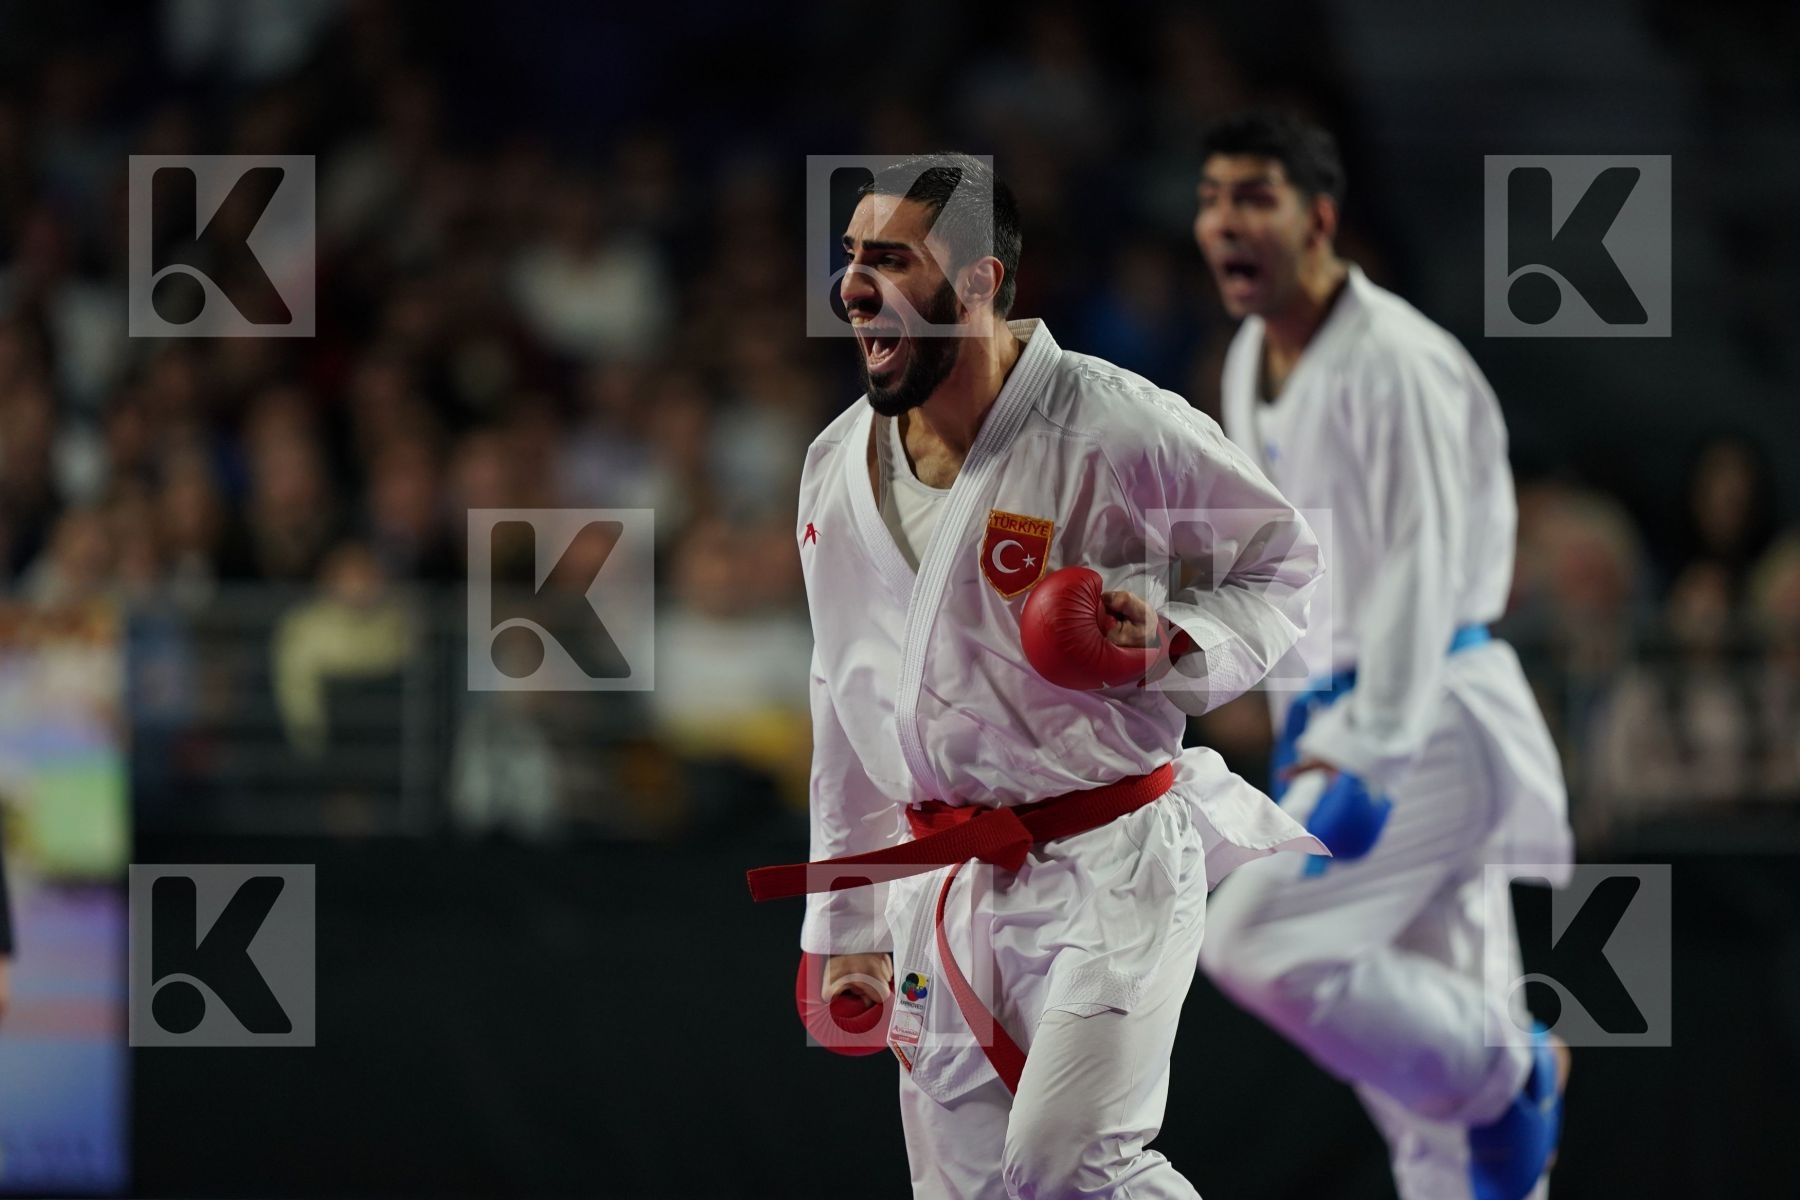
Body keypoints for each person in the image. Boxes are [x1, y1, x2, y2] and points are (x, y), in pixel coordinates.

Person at [748, 153, 1327, 1199]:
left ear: (979, 281)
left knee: (1069, 1166)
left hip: (1109, 860)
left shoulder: (1114, 428)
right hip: (942, 879)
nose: (851, 286)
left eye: (891, 259)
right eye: (849, 260)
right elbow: (844, 697)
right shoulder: (836, 465)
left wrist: (1170, 640)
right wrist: (843, 922)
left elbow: (1285, 567)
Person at [1190, 110, 1574, 1200]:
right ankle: (1494, 1077)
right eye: (1211, 196)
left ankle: (1513, 1059)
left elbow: (1418, 567)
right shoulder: (1250, 362)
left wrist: (1368, 751)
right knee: (1430, 1119)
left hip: (1428, 714)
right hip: (1344, 717)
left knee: (1257, 946)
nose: (1225, 219)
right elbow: (1276, 559)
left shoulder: (1394, 361)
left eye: (1253, 196)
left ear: (1319, 220)